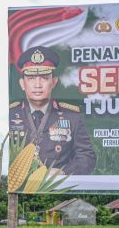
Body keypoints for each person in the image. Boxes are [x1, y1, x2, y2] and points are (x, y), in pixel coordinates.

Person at [10, 45, 96, 175]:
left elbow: (86, 156)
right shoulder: (11, 114)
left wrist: (63, 172)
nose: (38, 85)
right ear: (22, 83)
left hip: (59, 189)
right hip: (21, 187)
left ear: (54, 82)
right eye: (31, 78)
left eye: (44, 78)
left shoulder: (71, 116)